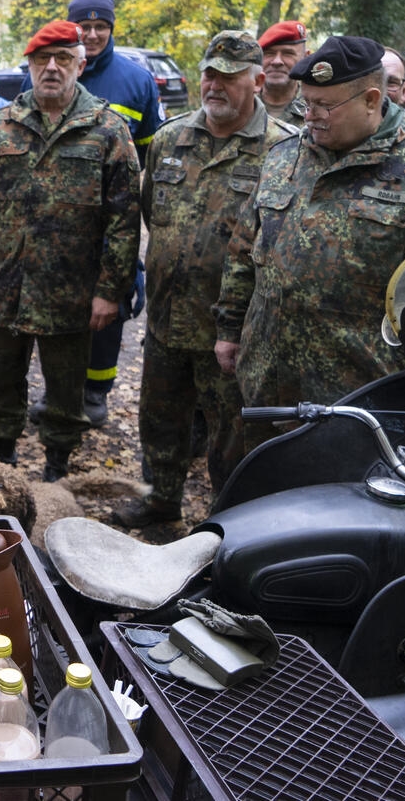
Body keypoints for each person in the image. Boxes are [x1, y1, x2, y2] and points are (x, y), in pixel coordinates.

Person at [215, 35, 405, 450]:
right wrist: (229, 329)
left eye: (325, 106)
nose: (311, 117)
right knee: (252, 492)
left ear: (372, 99)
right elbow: (245, 247)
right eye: (307, 104)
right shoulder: (286, 155)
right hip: (265, 379)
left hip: (361, 399)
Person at [111, 32, 294, 528]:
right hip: (169, 319)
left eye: (229, 77)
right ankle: (159, 501)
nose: (214, 85)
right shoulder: (171, 139)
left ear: (257, 81)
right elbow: (154, 218)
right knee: (160, 423)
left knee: (230, 435)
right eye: (209, 73)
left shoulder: (283, 150)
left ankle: (229, 524)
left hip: (232, 331)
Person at [0, 20, 141, 481]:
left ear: (81, 65)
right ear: (28, 64)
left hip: (72, 294)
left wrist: (109, 290)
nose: (52, 68)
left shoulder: (107, 129)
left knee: (66, 392)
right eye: (43, 59)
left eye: (64, 59)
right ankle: (2, 461)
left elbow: (123, 221)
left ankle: (56, 468)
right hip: (5, 288)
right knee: (3, 381)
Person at [35, 0, 161, 428]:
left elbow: (153, 154)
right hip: (57, 220)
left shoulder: (136, 80)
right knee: (57, 312)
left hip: (110, 215)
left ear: (111, 29)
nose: (90, 34)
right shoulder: (54, 68)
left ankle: (96, 392)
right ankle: (57, 392)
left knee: (108, 309)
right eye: (83, 27)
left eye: (99, 27)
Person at [256, 20, 309, 126]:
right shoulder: (241, 105)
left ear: (305, 57)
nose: (277, 61)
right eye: (269, 53)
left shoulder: (317, 111)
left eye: (287, 53)